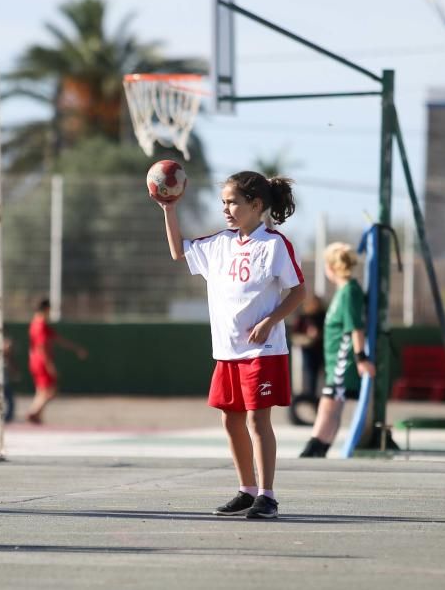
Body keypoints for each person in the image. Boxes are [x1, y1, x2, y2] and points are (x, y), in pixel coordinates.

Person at [158, 171, 305, 519]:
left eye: (233, 202)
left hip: (262, 351)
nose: (226, 208)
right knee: (231, 420)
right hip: (227, 351)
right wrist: (168, 208)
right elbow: (179, 252)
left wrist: (270, 321)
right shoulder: (220, 243)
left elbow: (298, 291)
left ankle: (267, 496)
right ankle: (246, 489)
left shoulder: (273, 244)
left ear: (256, 205)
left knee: (257, 420)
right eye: (223, 202)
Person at [299, 242, 376, 458]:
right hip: (335, 363)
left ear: (332, 266)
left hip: (343, 362)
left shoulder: (350, 292)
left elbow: (355, 328)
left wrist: (361, 359)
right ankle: (318, 451)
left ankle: (311, 453)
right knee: (331, 410)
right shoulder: (344, 292)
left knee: (328, 408)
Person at [25, 300, 87, 425]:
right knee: (51, 390)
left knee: (41, 390)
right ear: (46, 309)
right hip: (41, 361)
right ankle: (33, 412)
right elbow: (42, 347)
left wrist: (76, 349)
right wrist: (49, 365)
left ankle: (37, 416)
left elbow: (58, 339)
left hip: (34, 361)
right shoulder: (40, 325)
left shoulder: (36, 324)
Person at [290, 294, 326, 399]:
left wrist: (318, 334)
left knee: (324, 374)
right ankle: (310, 397)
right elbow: (295, 335)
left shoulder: (322, 316)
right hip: (308, 351)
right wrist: (308, 336)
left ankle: (321, 397)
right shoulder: (303, 317)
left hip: (321, 349)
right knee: (310, 375)